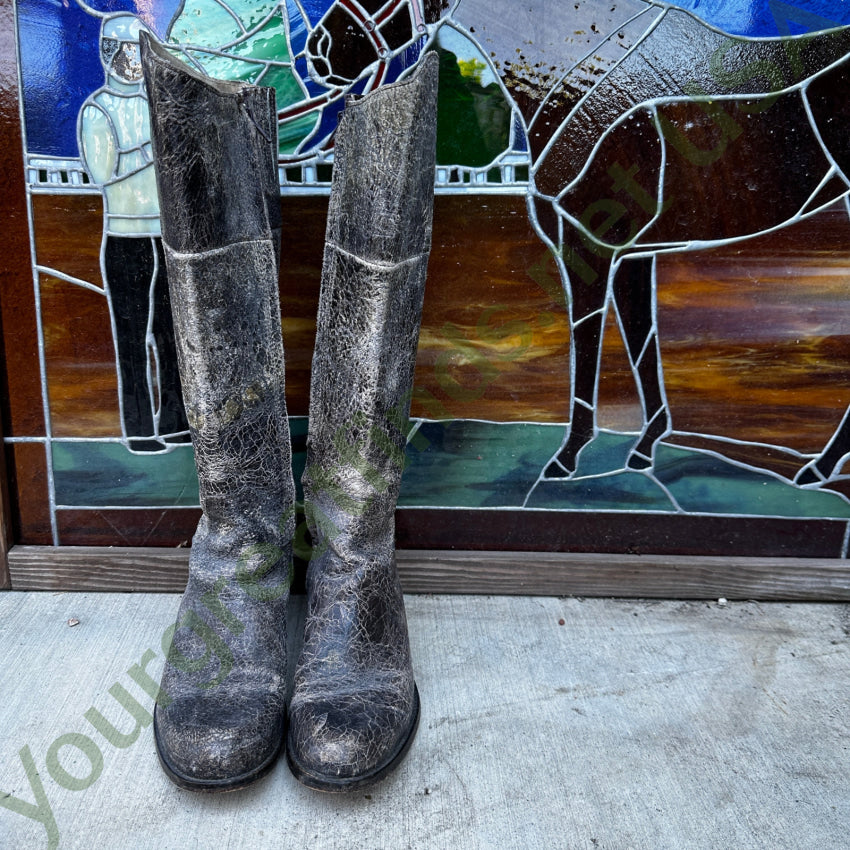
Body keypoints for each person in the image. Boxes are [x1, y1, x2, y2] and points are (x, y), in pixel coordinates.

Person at [78, 14, 188, 452]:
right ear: (107, 53)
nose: (131, 62)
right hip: (125, 239)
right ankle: (141, 430)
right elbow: (104, 172)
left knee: (172, 335)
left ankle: (177, 422)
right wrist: (151, 149)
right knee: (131, 339)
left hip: (167, 236)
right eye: (122, 52)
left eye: (137, 51)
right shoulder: (98, 109)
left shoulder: (157, 103)